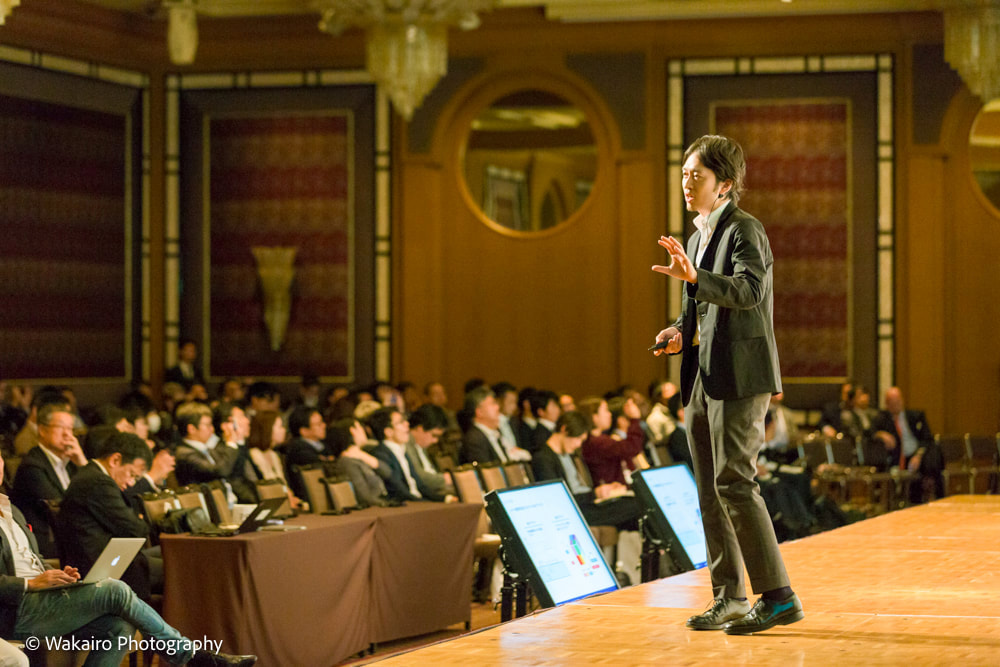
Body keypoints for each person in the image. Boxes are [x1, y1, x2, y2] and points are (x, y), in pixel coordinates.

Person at [651, 134, 802, 634]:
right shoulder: (696, 238)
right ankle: (730, 597)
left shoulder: (745, 230)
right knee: (712, 492)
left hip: (740, 375)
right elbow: (695, 309)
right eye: (684, 174)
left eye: (697, 176)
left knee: (736, 482)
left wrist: (696, 278)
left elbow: (750, 290)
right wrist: (678, 333)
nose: (686, 183)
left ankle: (778, 596)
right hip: (702, 375)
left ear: (726, 185)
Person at [0, 451, 257, 667]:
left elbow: (32, 559)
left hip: (42, 597)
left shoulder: (14, 512)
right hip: (13, 608)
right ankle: (189, 657)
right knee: (115, 589)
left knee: (118, 628)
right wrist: (30, 584)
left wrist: (53, 574)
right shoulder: (91, 484)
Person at [56, 432, 161, 601]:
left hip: (111, 561)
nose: (131, 483)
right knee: (178, 568)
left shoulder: (92, 476)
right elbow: (136, 529)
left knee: (169, 556)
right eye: (132, 475)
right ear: (115, 460)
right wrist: (138, 520)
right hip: (102, 569)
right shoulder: (98, 482)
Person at [11, 403, 87, 558]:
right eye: (61, 427)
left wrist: (82, 462)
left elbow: (96, 496)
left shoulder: (72, 463)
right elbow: (58, 507)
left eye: (70, 428)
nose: (68, 434)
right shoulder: (32, 466)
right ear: (42, 430)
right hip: (47, 542)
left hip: (70, 536)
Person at [246, 411, 303, 512]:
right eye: (279, 427)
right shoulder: (254, 455)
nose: (284, 430)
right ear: (267, 429)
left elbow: (283, 484)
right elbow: (267, 487)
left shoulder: (273, 455)